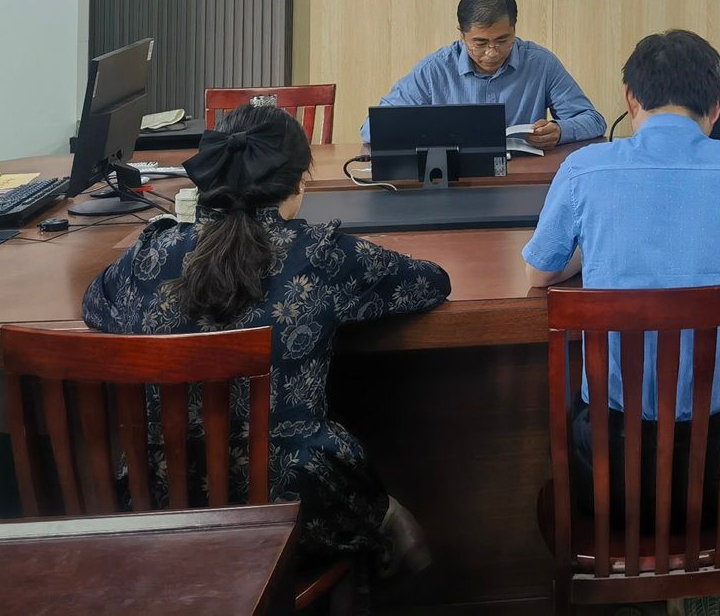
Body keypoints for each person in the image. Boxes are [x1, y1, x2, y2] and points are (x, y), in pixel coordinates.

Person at [81, 104, 450, 575]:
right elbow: (431, 282)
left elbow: (96, 304)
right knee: (393, 524)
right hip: (295, 507)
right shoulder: (324, 256)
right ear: (298, 184)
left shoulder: (151, 255)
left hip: (160, 503)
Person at [522, 29, 720, 522]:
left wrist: (592, 246)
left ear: (630, 98)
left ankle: (620, 564)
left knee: (552, 488)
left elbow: (539, 272)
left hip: (609, 464)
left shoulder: (583, 169)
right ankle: (713, 561)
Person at [370, 0, 604, 146]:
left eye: (503, 40)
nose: (492, 52)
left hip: (522, 177)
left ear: (514, 29)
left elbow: (593, 121)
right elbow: (372, 128)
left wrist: (560, 131)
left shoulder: (540, 63)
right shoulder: (435, 69)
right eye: (480, 43)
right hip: (454, 180)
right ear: (462, 35)